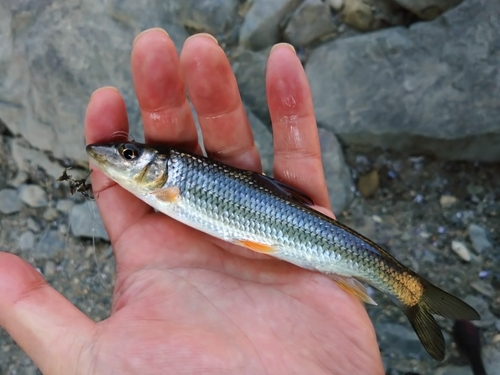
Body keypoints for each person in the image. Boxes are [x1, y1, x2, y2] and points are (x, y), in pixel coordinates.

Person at [0, 29, 384, 374]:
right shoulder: (161, 184)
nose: (116, 157)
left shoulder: (171, 180)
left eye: (129, 154)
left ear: (156, 168)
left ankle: (402, 285)